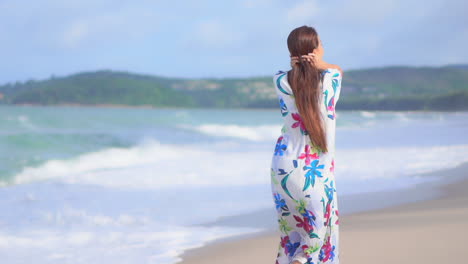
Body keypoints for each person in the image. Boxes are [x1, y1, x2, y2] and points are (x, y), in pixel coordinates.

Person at [270, 25, 343, 264]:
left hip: (283, 169)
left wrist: (301, 67)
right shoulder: (330, 79)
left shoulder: (280, 81)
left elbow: (294, 79)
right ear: (316, 50)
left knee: (291, 238)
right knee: (318, 243)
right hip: (315, 171)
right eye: (321, 44)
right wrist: (320, 65)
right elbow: (337, 71)